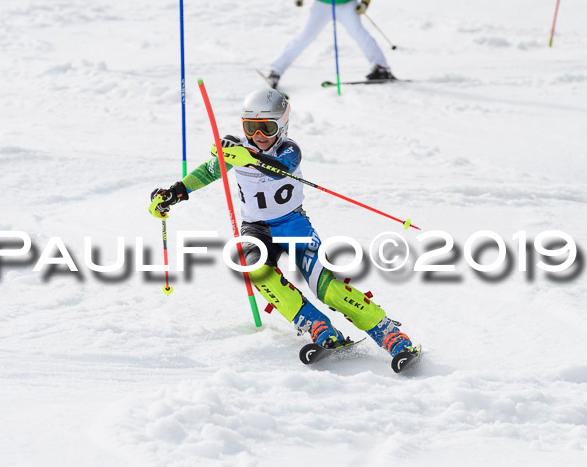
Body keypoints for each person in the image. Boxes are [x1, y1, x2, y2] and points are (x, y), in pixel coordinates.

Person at [149, 88, 414, 359]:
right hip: (256, 229)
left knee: (326, 288)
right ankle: (316, 326)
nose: (258, 136)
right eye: (250, 128)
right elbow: (208, 171)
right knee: (256, 270)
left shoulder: (289, 149)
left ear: (283, 125)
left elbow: (281, 168)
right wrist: (174, 193)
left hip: (293, 225)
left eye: (266, 127)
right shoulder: (239, 148)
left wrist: (248, 157)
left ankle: (389, 333)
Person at [265, 0, 394, 88]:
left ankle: (381, 67)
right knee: (305, 36)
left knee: (359, 33)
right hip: (322, 4)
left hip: (347, 4)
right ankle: (275, 70)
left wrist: (365, 2)